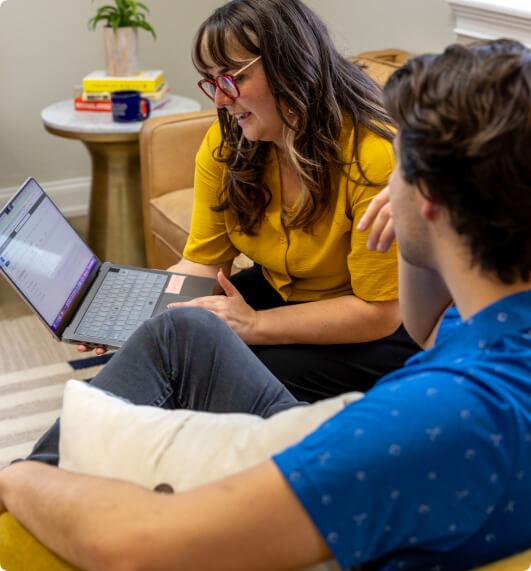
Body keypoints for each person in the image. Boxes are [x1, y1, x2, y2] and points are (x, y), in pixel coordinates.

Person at [2, 38, 531, 570]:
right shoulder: (492, 319)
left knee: (39, 476)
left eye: (400, 169)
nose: (386, 188)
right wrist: (421, 236)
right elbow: (423, 330)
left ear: (431, 198)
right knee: (180, 333)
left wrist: (17, 477)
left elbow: (135, 548)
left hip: (336, 451)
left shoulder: (435, 419)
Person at [79, 0, 418, 402]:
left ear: (289, 66)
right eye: (211, 81)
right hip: (280, 292)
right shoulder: (227, 145)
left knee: (206, 377)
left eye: (230, 78)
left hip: (373, 328)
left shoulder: (372, 154)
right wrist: (133, 312)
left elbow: (379, 313)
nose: (220, 100)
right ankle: (66, 446)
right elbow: (205, 261)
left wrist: (255, 325)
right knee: (167, 337)